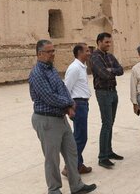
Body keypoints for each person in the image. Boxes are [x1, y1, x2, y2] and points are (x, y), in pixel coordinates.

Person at [30, 40, 97, 194]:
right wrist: (69, 104)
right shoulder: (37, 74)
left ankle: (76, 185)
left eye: (53, 51)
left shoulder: (51, 69)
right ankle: (54, 189)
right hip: (46, 120)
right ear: (39, 54)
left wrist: (68, 103)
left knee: (72, 151)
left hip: (60, 118)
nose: (53, 54)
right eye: (49, 51)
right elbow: (49, 96)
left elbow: (62, 88)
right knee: (52, 158)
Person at [90, 32, 124, 169]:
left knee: (110, 123)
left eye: (110, 42)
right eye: (106, 42)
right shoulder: (94, 57)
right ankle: (102, 157)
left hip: (113, 92)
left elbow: (121, 70)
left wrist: (111, 69)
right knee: (106, 123)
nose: (109, 45)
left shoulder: (110, 56)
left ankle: (109, 151)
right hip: (103, 93)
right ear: (99, 42)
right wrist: (111, 70)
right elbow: (103, 74)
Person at [61, 43, 93, 177]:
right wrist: (69, 106)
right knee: (80, 138)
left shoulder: (81, 67)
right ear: (80, 53)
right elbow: (66, 88)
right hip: (77, 105)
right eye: (87, 51)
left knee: (79, 136)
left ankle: (78, 165)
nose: (89, 53)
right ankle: (69, 167)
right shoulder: (74, 68)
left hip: (83, 104)